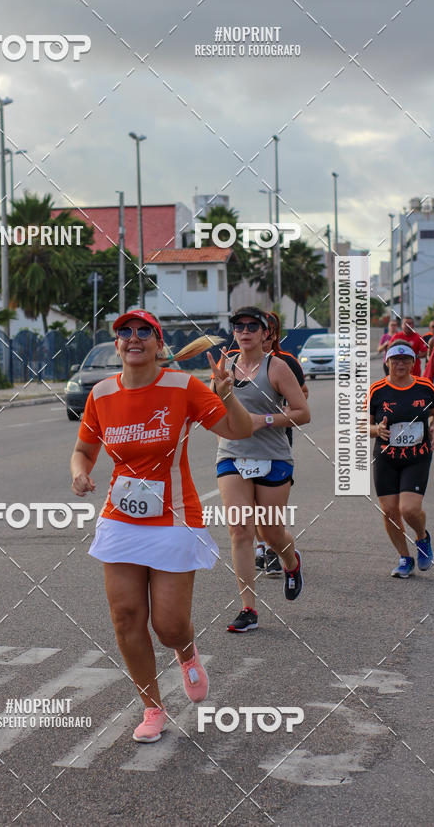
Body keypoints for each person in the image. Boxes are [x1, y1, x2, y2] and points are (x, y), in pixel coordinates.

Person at [70, 309, 253, 742]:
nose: (133, 339)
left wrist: (227, 395)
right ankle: (152, 707)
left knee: (168, 625)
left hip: (174, 517)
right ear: (117, 345)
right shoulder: (101, 393)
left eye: (143, 332)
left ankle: (186, 653)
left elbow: (239, 431)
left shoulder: (183, 386)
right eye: (124, 333)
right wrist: (79, 472)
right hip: (121, 518)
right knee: (126, 618)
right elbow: (83, 449)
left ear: (158, 342)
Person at [214, 306, 311, 633]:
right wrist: (221, 392)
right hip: (232, 454)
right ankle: (248, 608)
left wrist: (264, 420)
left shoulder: (277, 367)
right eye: (238, 326)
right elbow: (215, 411)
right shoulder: (225, 366)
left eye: (252, 326)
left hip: (273, 455)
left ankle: (291, 562)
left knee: (270, 531)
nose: (244, 331)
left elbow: (302, 412)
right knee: (240, 529)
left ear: (265, 332)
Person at [368, 342, 434, 578]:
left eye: (406, 359)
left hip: (417, 456)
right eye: (395, 359)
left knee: (409, 509)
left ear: (413, 363)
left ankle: (422, 537)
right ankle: (404, 558)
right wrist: (376, 430)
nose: (400, 364)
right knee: (389, 511)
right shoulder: (377, 390)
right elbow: (362, 424)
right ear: (387, 362)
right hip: (386, 457)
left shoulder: (424, 386)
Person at [255, 312, 308, 576]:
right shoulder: (235, 361)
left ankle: (275, 546)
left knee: (270, 502)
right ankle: (262, 546)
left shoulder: (285, 362)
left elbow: (303, 396)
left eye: (265, 329)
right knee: (249, 500)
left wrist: (276, 415)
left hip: (276, 438)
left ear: (272, 333)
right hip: (243, 441)